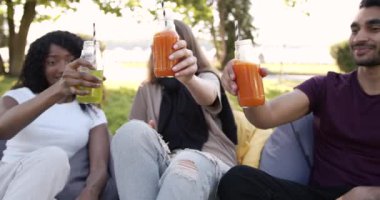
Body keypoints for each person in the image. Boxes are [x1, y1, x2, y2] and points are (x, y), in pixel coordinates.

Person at [217, 0, 380, 199]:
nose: (359, 37)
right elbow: (265, 116)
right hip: (319, 195)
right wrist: (243, 84)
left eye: (374, 28)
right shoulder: (326, 87)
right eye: (355, 30)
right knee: (239, 179)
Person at [111, 19, 237, 200]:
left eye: (174, 47)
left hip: (208, 162)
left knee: (186, 164)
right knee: (131, 132)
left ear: (187, 48)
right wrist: (149, 134)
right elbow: (136, 141)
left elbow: (209, 95)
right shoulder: (148, 89)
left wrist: (189, 79)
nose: (169, 53)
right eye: (161, 47)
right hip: (166, 158)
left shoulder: (206, 77)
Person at [0, 31, 110, 200]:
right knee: (54, 156)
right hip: (8, 180)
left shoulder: (92, 112)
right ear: (40, 66)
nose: (64, 69)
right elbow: (3, 129)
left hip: (49, 191)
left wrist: (90, 192)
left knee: (55, 158)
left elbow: (99, 167)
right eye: (52, 62)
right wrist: (58, 90)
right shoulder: (19, 97)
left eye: (71, 60)